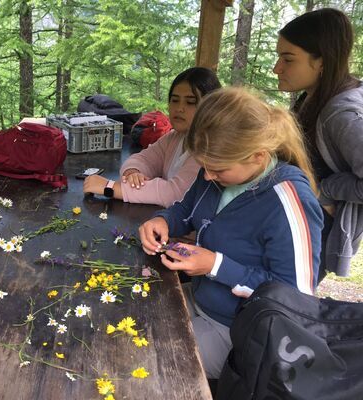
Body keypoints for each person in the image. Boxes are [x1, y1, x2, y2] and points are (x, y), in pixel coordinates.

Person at [138, 88, 323, 379]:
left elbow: (294, 300)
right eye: (204, 167)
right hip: (200, 299)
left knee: (148, 356)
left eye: (218, 169)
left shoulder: (288, 201)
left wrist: (215, 266)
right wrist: (163, 221)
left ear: (258, 156)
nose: (208, 176)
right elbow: (187, 208)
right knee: (133, 316)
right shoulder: (215, 170)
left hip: (237, 329)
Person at [274, 8, 363, 280]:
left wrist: (322, 190)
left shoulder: (342, 114)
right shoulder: (313, 97)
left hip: (312, 236)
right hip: (294, 225)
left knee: (278, 307)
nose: (277, 68)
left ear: (322, 61)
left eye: (287, 59)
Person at [83, 67, 221, 207]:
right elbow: (142, 159)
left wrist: (110, 187)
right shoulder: (175, 137)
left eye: (190, 102)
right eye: (174, 100)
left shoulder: (210, 149)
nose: (179, 108)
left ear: (210, 107)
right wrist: (133, 173)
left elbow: (175, 194)